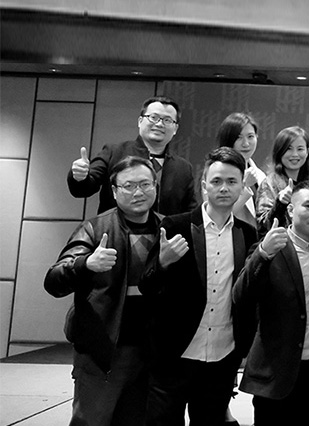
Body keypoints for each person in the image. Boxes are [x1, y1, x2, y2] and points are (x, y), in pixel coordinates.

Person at [140, 147, 259, 426]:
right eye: (216, 181)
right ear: (204, 185)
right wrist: (163, 262)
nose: (224, 188)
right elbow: (147, 285)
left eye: (232, 181)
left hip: (222, 355)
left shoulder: (247, 233)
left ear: (242, 187)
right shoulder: (175, 226)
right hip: (174, 353)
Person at [45, 156, 163, 426]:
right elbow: (53, 280)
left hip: (151, 353)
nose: (138, 192)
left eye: (145, 184)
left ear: (155, 187)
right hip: (103, 354)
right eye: (129, 186)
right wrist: (86, 264)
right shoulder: (95, 228)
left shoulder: (168, 227)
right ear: (114, 191)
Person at [234, 181, 309, 425]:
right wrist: (263, 254)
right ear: (291, 210)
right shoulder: (272, 247)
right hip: (278, 376)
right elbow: (240, 297)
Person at [68, 96, 196, 215]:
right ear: (140, 121)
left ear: (175, 129)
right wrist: (80, 177)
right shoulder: (114, 152)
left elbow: (190, 212)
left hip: (165, 232)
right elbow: (83, 189)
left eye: (167, 120)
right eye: (153, 117)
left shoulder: (183, 168)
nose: (159, 124)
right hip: (117, 230)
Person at [256, 126, 309, 232]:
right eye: (288, 149)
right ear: (279, 151)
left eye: (300, 149)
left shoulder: (307, 185)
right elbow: (262, 225)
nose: (295, 154)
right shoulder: (269, 183)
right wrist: (280, 203)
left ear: (307, 152)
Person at [216, 112, 267, 227]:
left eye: (250, 136)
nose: (246, 144)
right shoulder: (216, 172)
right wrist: (244, 186)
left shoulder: (260, 175)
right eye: (239, 138)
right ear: (228, 140)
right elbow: (218, 217)